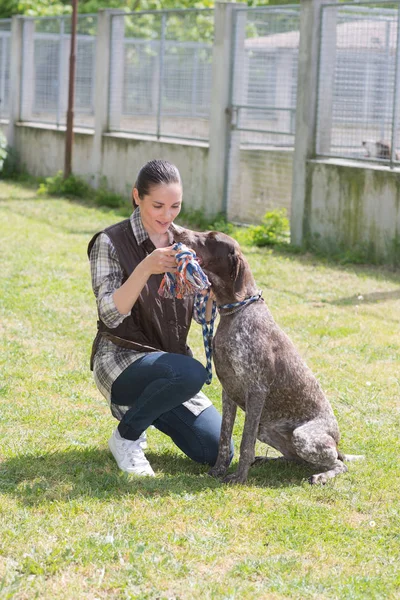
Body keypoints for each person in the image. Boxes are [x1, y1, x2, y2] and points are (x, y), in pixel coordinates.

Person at [88, 159, 233, 476]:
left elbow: (200, 316)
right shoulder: (110, 241)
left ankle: (149, 404)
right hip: (120, 358)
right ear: (136, 196)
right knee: (190, 373)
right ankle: (127, 437)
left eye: (175, 206)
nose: (167, 216)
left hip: (169, 365)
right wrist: (145, 268)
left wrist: (209, 298)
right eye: (158, 205)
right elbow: (110, 314)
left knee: (218, 450)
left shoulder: (185, 244)